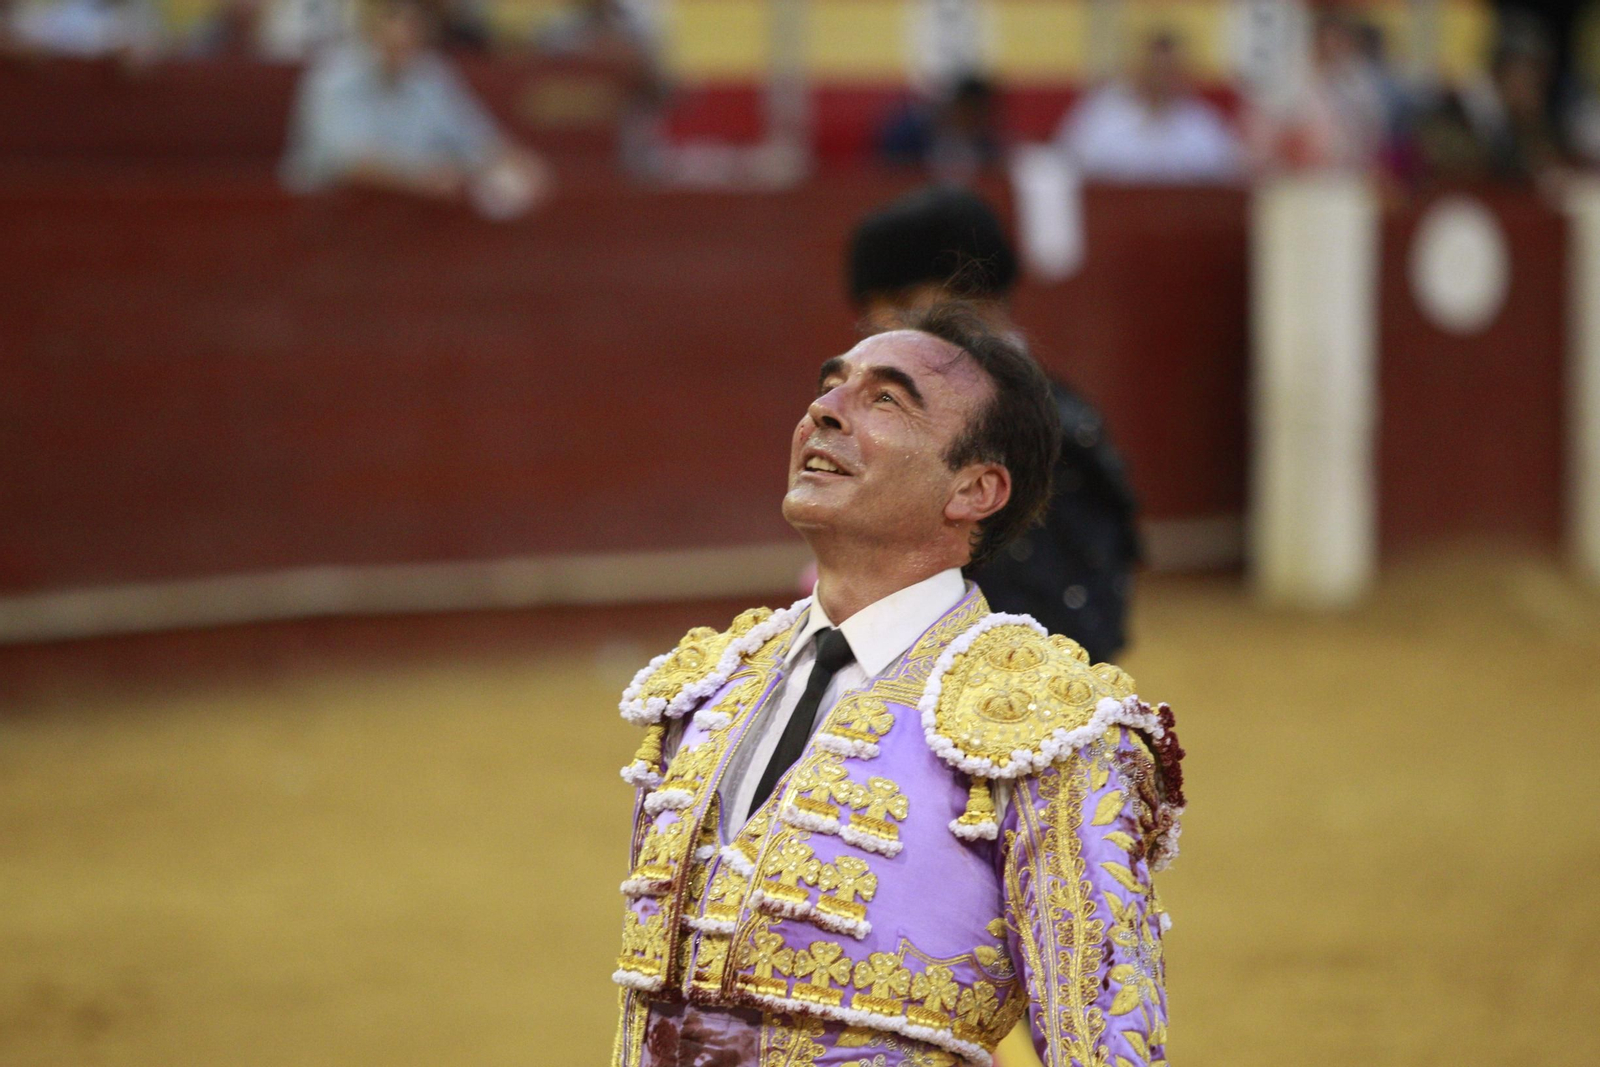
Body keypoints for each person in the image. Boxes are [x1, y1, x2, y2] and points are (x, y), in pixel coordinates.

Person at [610, 303, 1185, 1067]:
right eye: (831, 387)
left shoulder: (1048, 728)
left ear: (975, 490)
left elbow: (1105, 1043)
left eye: (885, 399)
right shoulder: (711, 686)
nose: (824, 411)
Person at [847, 187, 1140, 664]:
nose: (879, 323)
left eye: (901, 299)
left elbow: (1069, 622)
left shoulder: (1035, 427)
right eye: (873, 306)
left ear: (974, 296)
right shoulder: (991, 409)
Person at [280, 0, 548, 217]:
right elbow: (346, 161)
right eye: (394, 18)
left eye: (414, 21)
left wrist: (515, 160)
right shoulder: (333, 76)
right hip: (331, 215)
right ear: (370, 28)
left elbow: (476, 137)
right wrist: (420, 179)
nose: (406, 31)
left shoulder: (431, 73)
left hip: (413, 218)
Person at [1056, 31, 1242, 183]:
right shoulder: (1100, 117)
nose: (1161, 78)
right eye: (1155, 68)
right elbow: (1066, 170)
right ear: (1138, 67)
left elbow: (1226, 178)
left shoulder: (1203, 125)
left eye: (1170, 70)